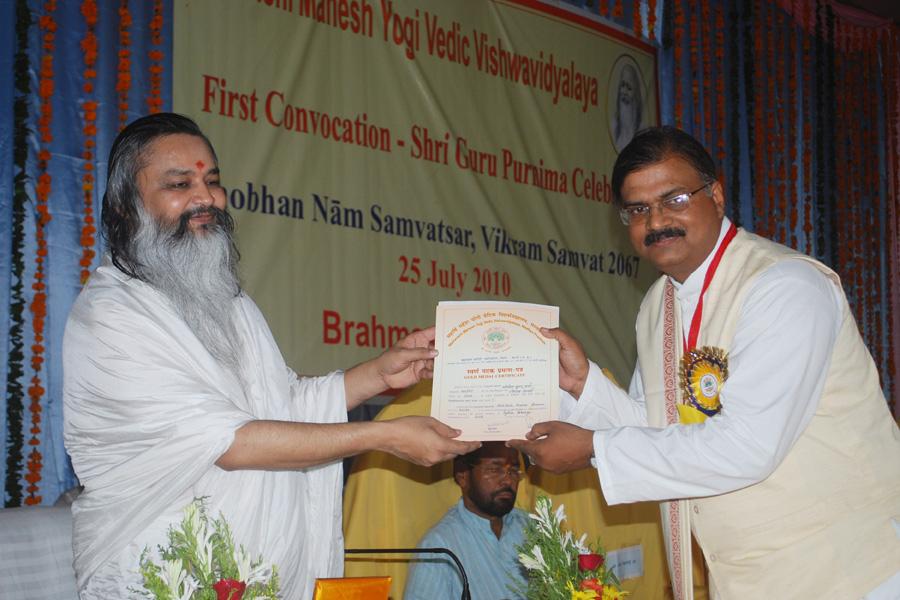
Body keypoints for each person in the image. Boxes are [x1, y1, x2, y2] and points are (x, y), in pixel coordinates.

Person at [62, 113, 481, 599]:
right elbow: (231, 441)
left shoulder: (230, 304)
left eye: (212, 181)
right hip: (160, 576)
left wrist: (379, 373)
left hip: (255, 575)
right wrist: (383, 436)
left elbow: (284, 405)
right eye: (181, 184)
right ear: (125, 208)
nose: (205, 198)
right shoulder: (112, 316)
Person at [510, 126, 900, 599]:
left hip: (850, 572)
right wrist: (582, 384)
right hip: (747, 581)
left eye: (673, 199)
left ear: (715, 194)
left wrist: (594, 449)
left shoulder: (784, 287)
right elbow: (659, 427)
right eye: (638, 209)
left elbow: (748, 446)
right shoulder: (659, 305)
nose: (656, 222)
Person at [404, 442, 528, 600]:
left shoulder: (535, 528)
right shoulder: (439, 546)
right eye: (494, 469)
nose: (508, 481)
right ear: (462, 476)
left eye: (514, 470)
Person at [611, 61, 642, 153]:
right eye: (622, 85)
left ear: (635, 94)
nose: (624, 91)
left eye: (629, 88)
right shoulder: (614, 125)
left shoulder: (642, 130)